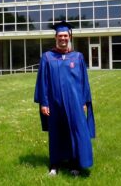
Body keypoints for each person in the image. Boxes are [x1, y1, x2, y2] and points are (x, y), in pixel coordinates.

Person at [34, 21, 96, 176]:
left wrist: (84, 102)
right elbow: (43, 81)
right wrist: (44, 102)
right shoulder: (47, 57)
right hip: (54, 103)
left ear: (70, 37)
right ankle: (54, 165)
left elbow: (84, 82)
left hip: (74, 103)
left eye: (65, 36)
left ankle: (74, 164)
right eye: (60, 36)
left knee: (74, 132)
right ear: (55, 37)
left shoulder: (78, 57)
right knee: (56, 134)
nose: (63, 38)